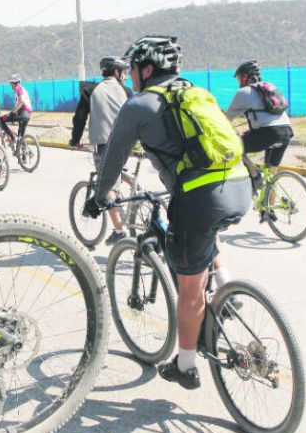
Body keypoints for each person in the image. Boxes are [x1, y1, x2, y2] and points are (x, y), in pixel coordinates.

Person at [84, 34, 252, 390]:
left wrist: (99, 197)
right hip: (238, 185)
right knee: (206, 231)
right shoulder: (193, 93)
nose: (128, 75)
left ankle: (186, 365)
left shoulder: (140, 105)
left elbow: (113, 158)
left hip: (200, 197)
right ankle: (227, 289)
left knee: (189, 290)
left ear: (147, 69)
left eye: (132, 68)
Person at [74, 56, 134, 245]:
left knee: (106, 183)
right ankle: (133, 185)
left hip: (104, 143)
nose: (125, 76)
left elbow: (80, 118)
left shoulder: (91, 90)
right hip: (127, 142)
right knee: (117, 169)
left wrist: (75, 140)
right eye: (123, 73)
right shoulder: (127, 91)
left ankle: (118, 231)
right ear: (116, 72)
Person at [227, 60, 294, 223]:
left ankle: (255, 175)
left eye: (238, 79)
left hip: (268, 132)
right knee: (272, 173)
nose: (238, 83)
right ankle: (269, 210)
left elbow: (226, 119)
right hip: (286, 131)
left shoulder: (244, 92)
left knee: (237, 146)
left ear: (245, 77)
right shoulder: (270, 88)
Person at [0, 74, 33, 144]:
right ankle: (25, 152)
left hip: (23, 113)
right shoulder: (23, 89)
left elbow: (21, 102)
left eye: (11, 83)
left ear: (13, 83)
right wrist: (14, 116)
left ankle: (12, 137)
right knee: (20, 136)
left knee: (1, 119)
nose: (10, 85)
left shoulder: (18, 89)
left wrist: (13, 112)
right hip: (27, 115)